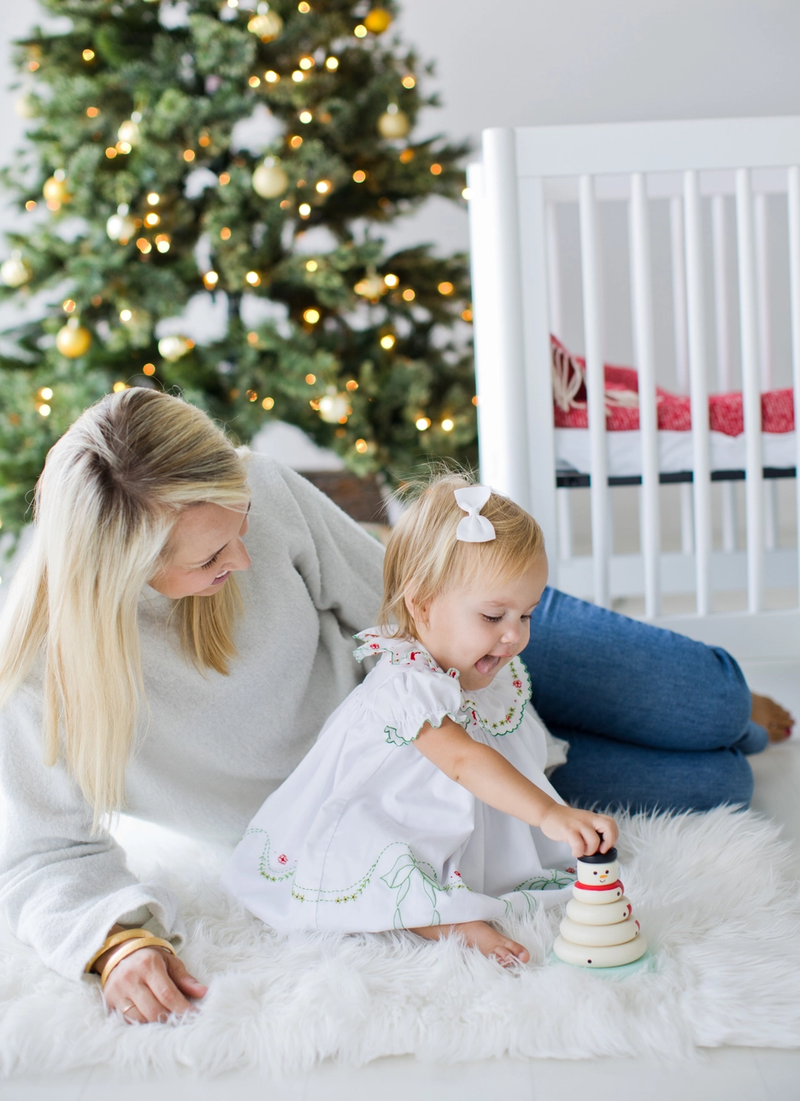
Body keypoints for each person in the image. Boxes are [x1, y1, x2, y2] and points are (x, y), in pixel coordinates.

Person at [0, 389, 789, 1023]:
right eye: (210, 558)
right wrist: (115, 942)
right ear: (124, 569)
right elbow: (44, 851)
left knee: (708, 704)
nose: (243, 558)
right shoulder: (40, 666)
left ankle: (725, 708)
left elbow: (386, 597)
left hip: (446, 636)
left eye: (239, 526)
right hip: (395, 780)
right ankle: (698, 730)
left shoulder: (257, 491)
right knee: (714, 789)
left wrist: (487, 690)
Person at [221, 476, 619, 964]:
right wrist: (548, 814)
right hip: (393, 809)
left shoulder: (487, 662)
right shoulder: (408, 682)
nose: (514, 635)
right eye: (494, 617)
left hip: (465, 811)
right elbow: (463, 761)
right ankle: (442, 917)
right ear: (423, 605)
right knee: (385, 863)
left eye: (527, 615)